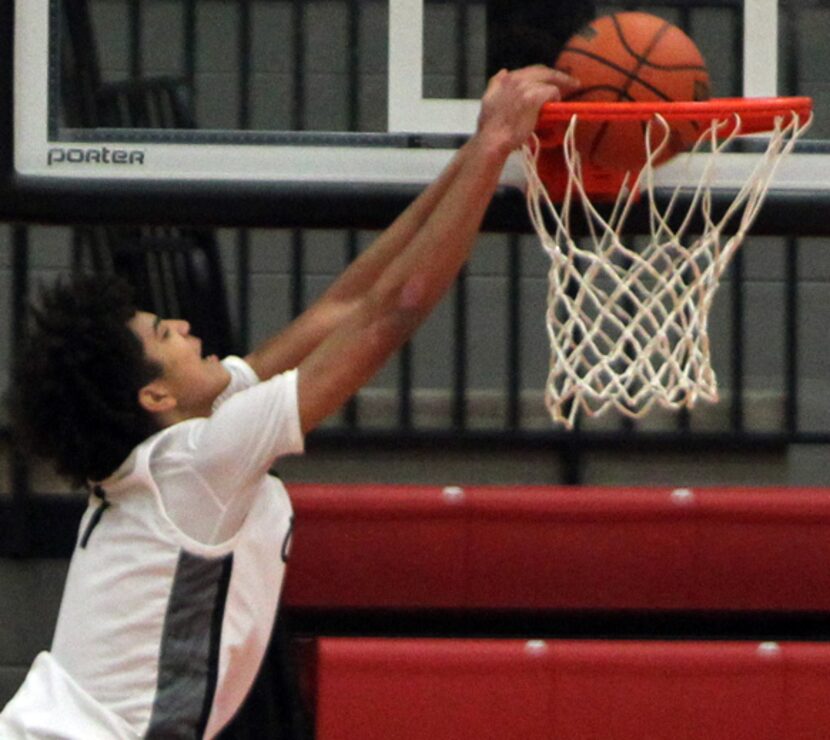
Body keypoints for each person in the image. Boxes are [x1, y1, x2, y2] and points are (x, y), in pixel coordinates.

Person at [0, 64, 578, 738]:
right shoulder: (195, 462)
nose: (186, 327)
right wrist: (494, 146)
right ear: (154, 393)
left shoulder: (180, 450)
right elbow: (395, 311)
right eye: (166, 333)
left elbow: (348, 303)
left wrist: (479, 150)